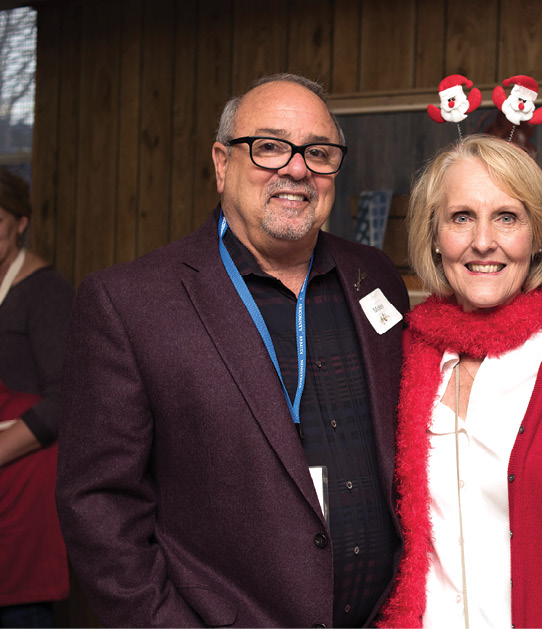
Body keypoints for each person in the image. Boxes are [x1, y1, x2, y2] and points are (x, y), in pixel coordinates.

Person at [56, 73, 409, 627]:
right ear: (222, 163)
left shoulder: (375, 276)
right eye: (269, 146)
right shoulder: (129, 303)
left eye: (318, 152)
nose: (297, 169)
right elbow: (99, 505)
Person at [377, 135, 542, 628]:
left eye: (507, 217)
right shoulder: (401, 357)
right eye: (461, 217)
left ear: (537, 235)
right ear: (434, 235)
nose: (483, 241)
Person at [0, 169, 73, 627]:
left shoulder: (45, 292)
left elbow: (66, 399)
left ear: (20, 222)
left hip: (25, 485)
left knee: (22, 612)